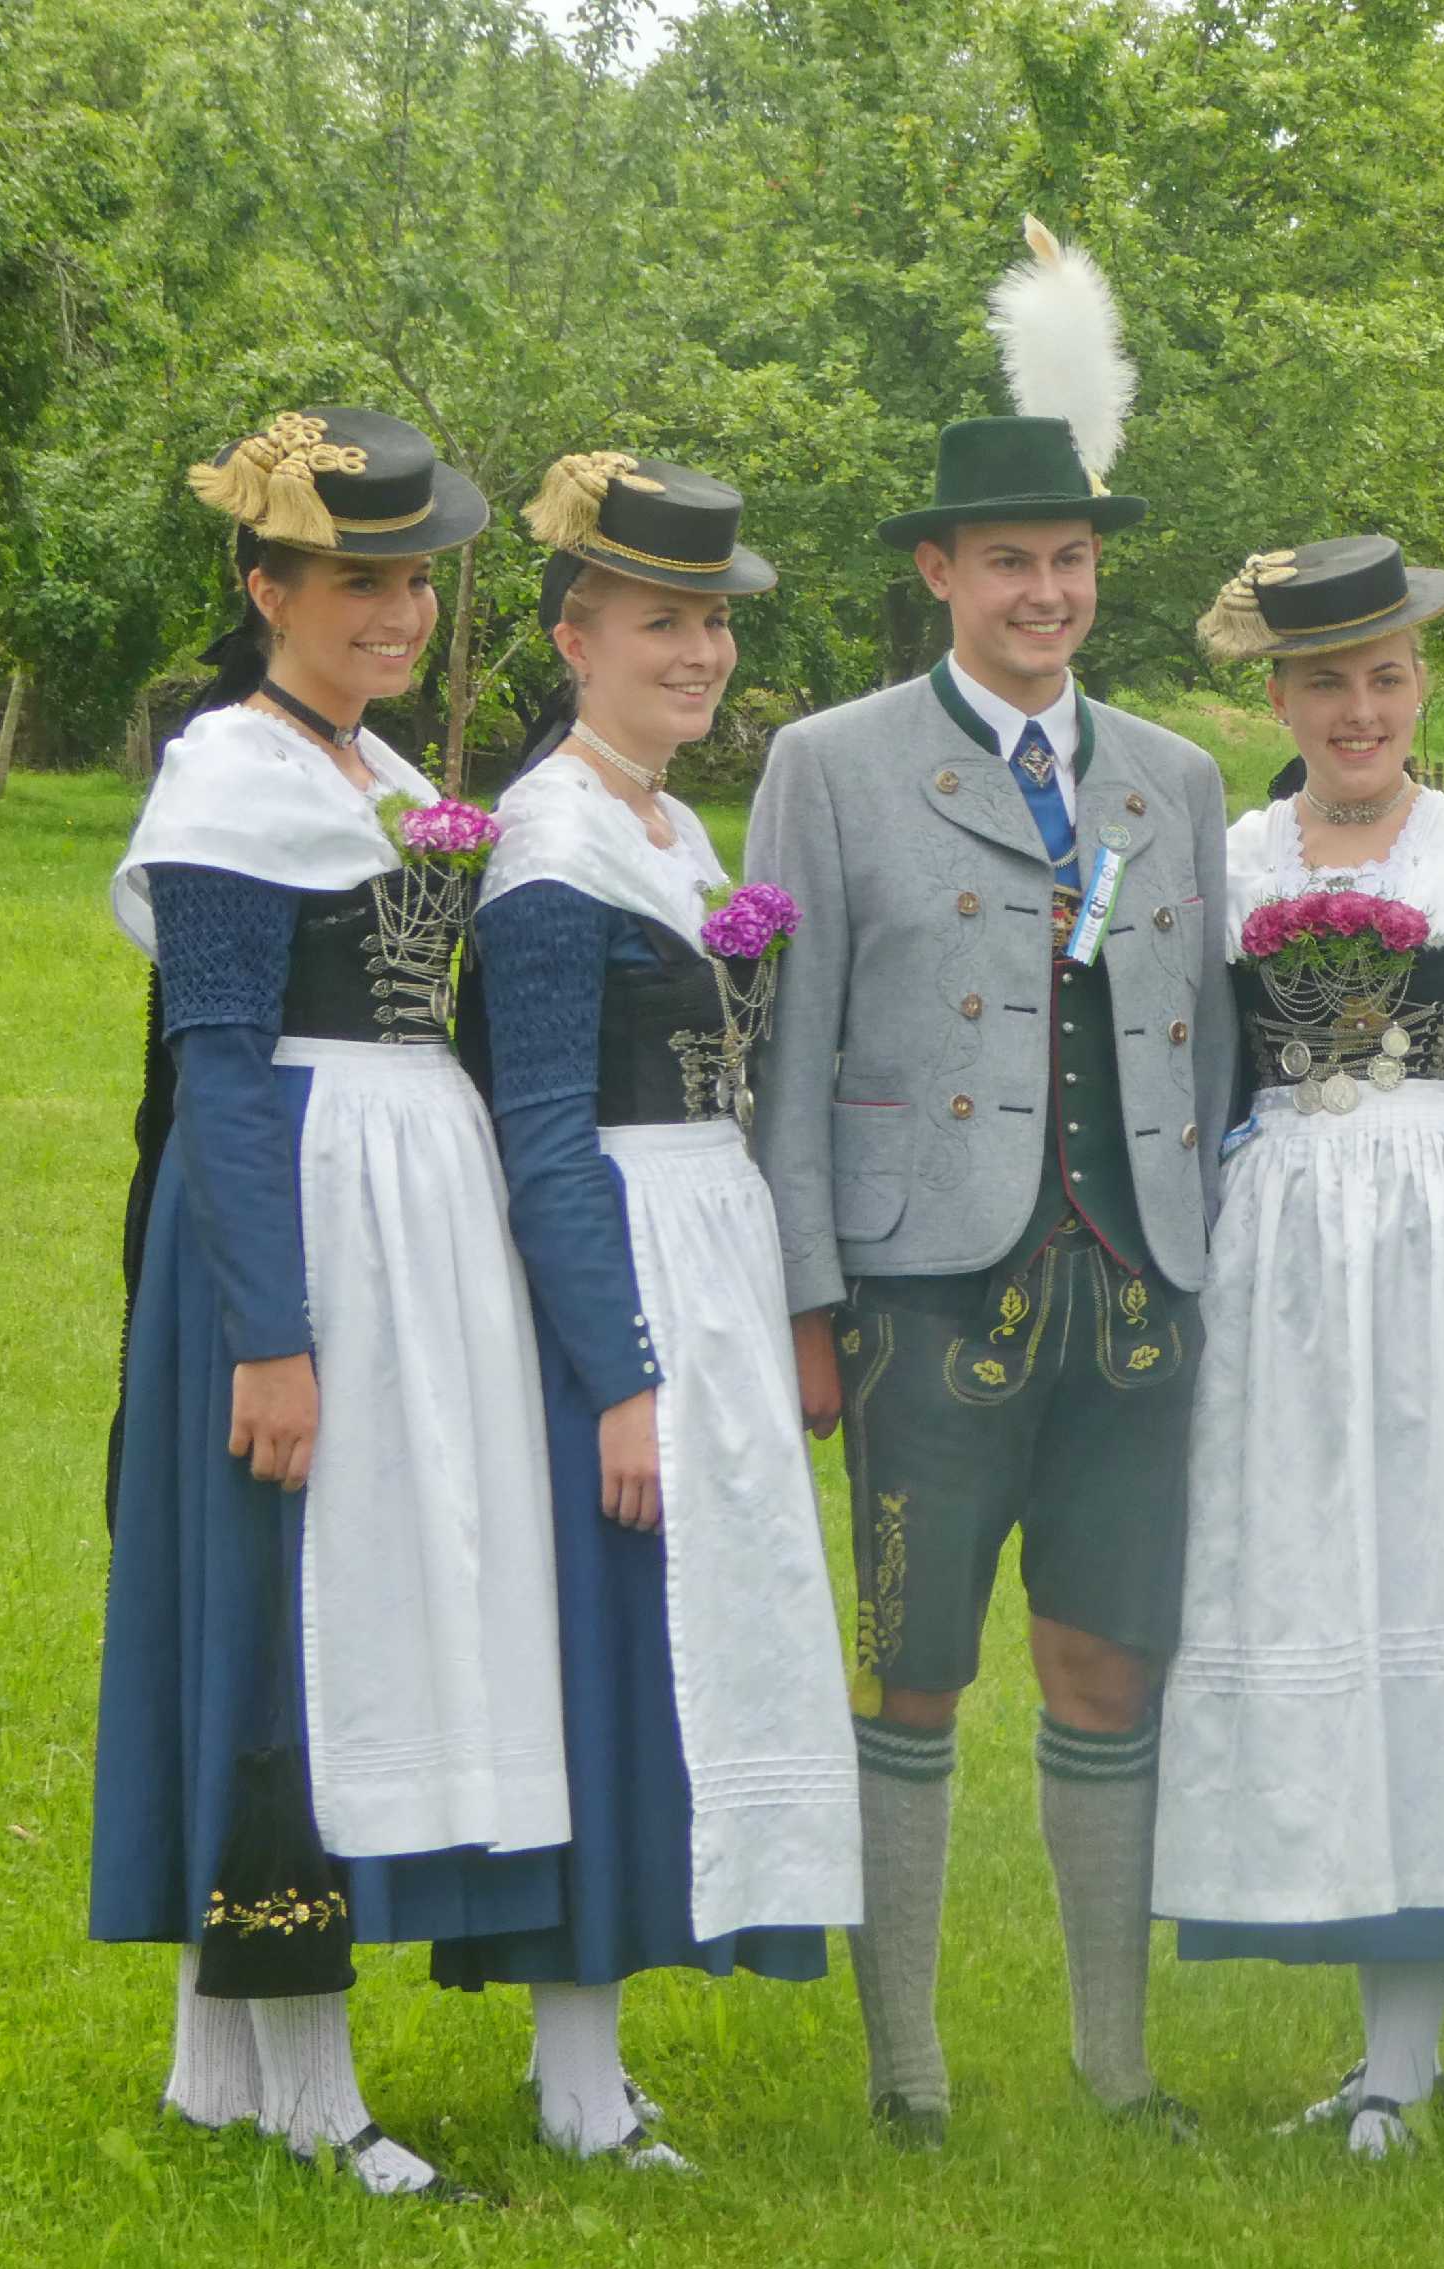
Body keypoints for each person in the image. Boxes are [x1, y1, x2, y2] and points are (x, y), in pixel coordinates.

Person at [745, 219, 1233, 2146]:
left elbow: (1202, 1040)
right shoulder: (831, 763)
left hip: (1136, 1292)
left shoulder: (1176, 779)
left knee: (1110, 1661)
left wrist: (1200, 1262)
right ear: (940, 572)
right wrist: (807, 1304)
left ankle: (1118, 2064)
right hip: (922, 1288)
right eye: (1010, 561)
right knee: (917, 1671)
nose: (1046, 592)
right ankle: (910, 2072)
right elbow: (785, 1058)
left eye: (1072, 560)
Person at [93, 406, 567, 2200]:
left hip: (399, 1220)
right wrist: (270, 1336)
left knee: (351, 1595)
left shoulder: (366, 766)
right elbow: (217, 1068)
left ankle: (216, 2063)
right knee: (288, 1613)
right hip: (290, 1226)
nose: (397, 611)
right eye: (356, 579)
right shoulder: (234, 776)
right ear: (265, 588)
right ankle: (307, 2080)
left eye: (415, 580)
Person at [428, 453, 862, 2169]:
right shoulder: (554, 847)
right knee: (609, 1646)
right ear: (574, 638)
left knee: (684, 1641)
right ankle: (574, 2076)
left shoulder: (669, 827)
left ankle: (596, 2057)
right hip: (615, 1273)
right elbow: (539, 1131)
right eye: (659, 625)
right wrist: (619, 1376)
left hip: (708, 1245)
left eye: (712, 625)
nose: (698, 654)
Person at [1151, 538, 1444, 2156]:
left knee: (1435, 1586)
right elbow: (1185, 1077)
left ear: (1422, 688)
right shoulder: (1224, 867)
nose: (1358, 711)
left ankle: (1405, 2055)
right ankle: (1372, 2037)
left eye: (1385, 678)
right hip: (1278, 1270)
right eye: (1325, 681)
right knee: (1315, 1585)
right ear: (1278, 696)